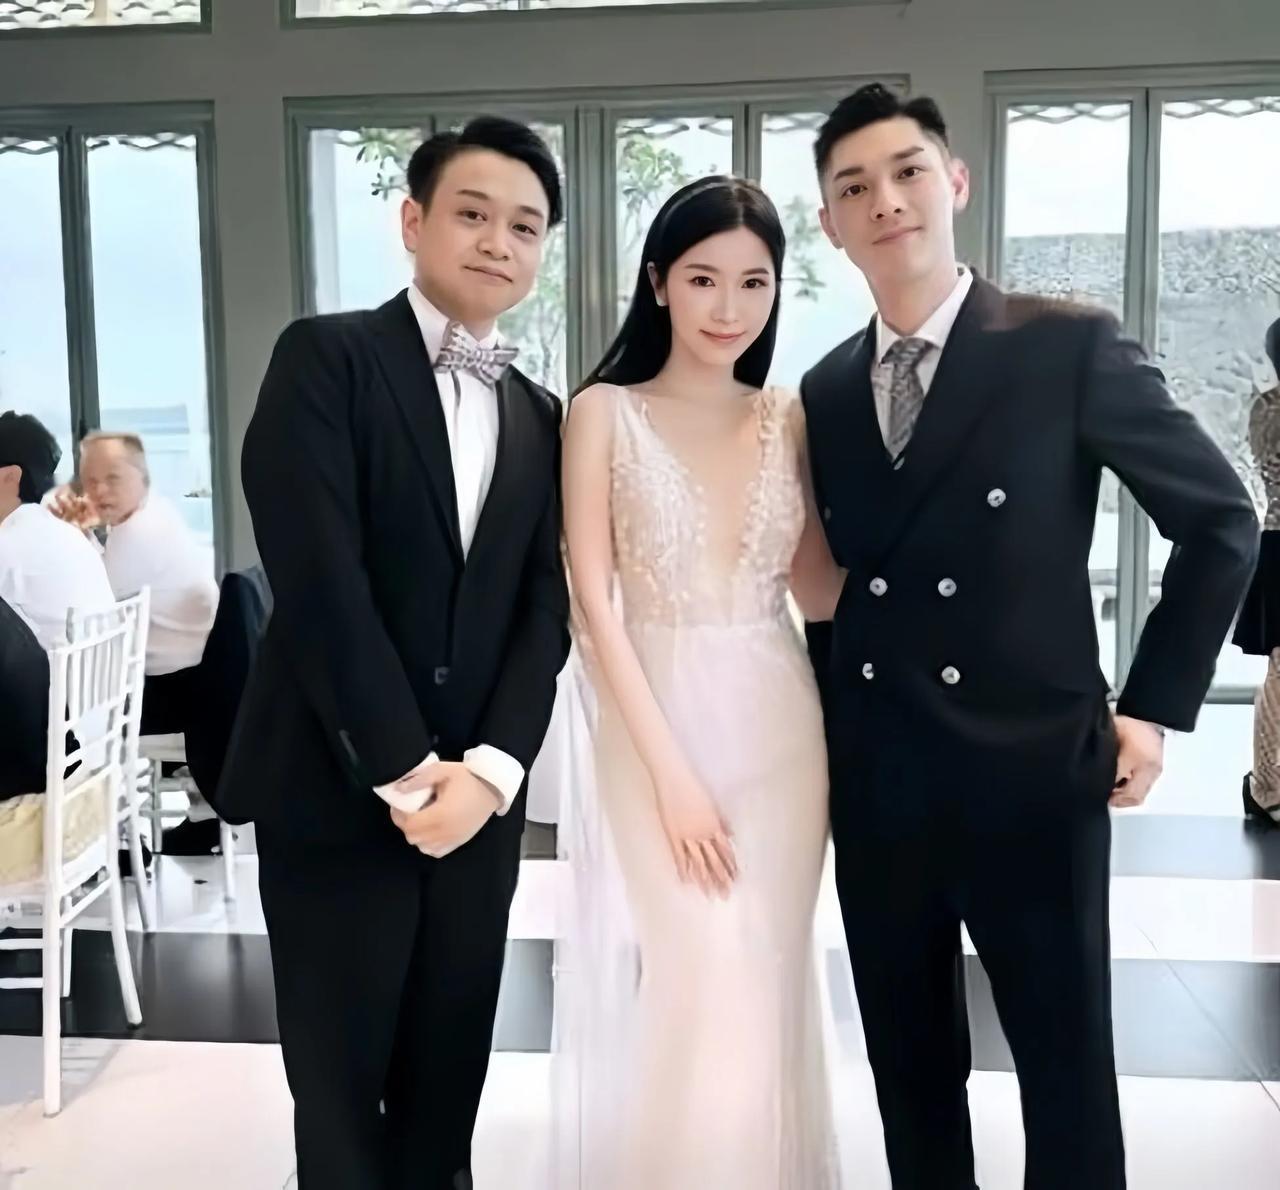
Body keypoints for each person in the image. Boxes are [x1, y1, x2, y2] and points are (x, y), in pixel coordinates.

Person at [802, 83, 1259, 1189]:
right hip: (879, 780)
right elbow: (837, 590)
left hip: (1031, 770)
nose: (885, 200)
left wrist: (1150, 708)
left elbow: (1218, 522)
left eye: (907, 171)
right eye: (853, 187)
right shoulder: (824, 387)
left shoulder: (1064, 345)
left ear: (953, 182)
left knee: (1063, 1068)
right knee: (909, 1069)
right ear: (829, 223)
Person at [218, 117, 569, 1190]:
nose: (498, 242)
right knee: (339, 1101)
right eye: (473, 213)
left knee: (446, 1088)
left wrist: (493, 774)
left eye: (524, 226)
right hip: (336, 788)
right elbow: (319, 582)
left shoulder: (540, 412)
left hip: (477, 811)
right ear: (414, 222)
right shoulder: (325, 358)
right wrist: (410, 772)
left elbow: (544, 610)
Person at [559, 176, 846, 1188]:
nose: (729, 307)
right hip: (655, 730)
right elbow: (594, 609)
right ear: (658, 284)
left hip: (781, 732)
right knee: (699, 972)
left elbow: (818, 590)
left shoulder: (787, 415)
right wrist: (671, 776)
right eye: (702, 278)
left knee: (767, 980)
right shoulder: (602, 413)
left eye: (753, 282)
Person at [49, 431, 222, 855]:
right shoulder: (156, 511)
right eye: (90, 481)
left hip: (179, 693)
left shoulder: (137, 535)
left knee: (67, 719)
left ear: (141, 476)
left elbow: (91, 605)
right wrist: (88, 531)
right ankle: (190, 819)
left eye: (112, 478)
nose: (99, 491)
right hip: (200, 682)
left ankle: (111, 842)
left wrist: (75, 533)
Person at [0, 411, 114, 650]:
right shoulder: (63, 531)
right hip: (99, 668)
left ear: (11, 476)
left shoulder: (9, 543)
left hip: (56, 671)